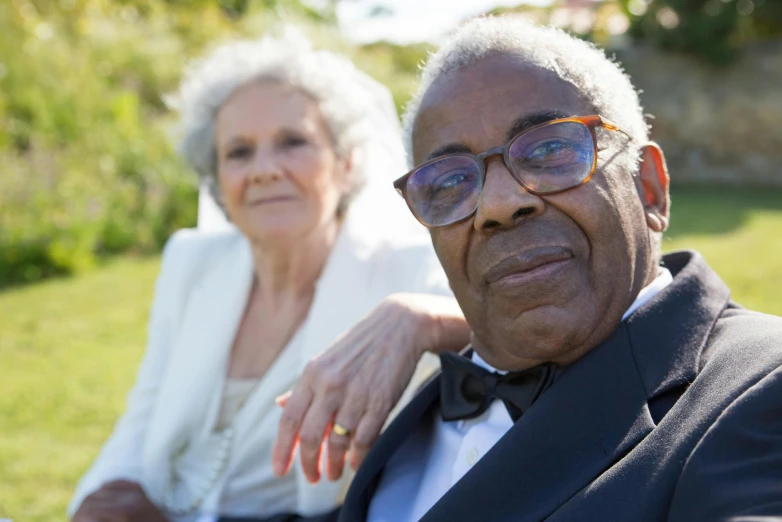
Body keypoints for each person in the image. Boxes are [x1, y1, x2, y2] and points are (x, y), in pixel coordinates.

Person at [230, 17, 782, 522]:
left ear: (650, 188)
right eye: (448, 181)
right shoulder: (407, 403)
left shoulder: (758, 390)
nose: (497, 204)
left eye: (549, 151)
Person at [68, 31, 472, 522]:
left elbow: (502, 330)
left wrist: (421, 318)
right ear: (216, 180)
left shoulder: (404, 267)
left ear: (346, 164)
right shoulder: (190, 261)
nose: (264, 169)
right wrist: (101, 496)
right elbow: (140, 417)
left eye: (293, 142)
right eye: (238, 152)